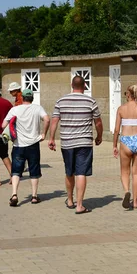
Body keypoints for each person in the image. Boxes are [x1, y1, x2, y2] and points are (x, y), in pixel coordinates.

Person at [49, 76, 103, 214]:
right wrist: (99, 136)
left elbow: (54, 121)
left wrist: (51, 138)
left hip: (67, 142)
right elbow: (98, 122)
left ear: (71, 85)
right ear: (84, 85)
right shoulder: (90, 101)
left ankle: (70, 200)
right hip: (84, 142)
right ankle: (80, 205)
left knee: (69, 172)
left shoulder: (61, 101)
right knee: (81, 172)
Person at [2, 89, 50, 206]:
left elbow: (3, 125)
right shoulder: (37, 108)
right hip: (33, 144)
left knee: (16, 171)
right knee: (34, 170)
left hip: (18, 145)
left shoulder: (14, 109)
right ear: (32, 98)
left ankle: (14, 194)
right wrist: (44, 133)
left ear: (22, 98)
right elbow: (47, 119)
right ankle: (34, 196)